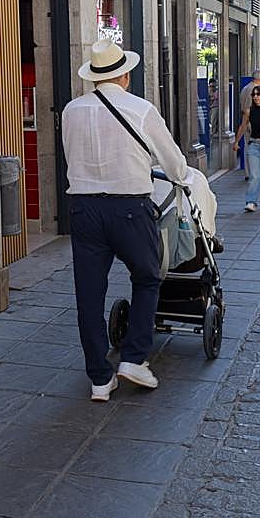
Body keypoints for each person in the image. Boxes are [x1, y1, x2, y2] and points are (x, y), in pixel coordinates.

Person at [62, 38, 188, 402]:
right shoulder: (141, 109)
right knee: (148, 277)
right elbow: (172, 160)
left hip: (83, 209)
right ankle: (133, 358)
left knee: (88, 293)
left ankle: (100, 378)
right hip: (129, 208)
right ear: (126, 76)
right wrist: (181, 177)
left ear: (93, 77)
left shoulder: (72, 110)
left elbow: (73, 156)